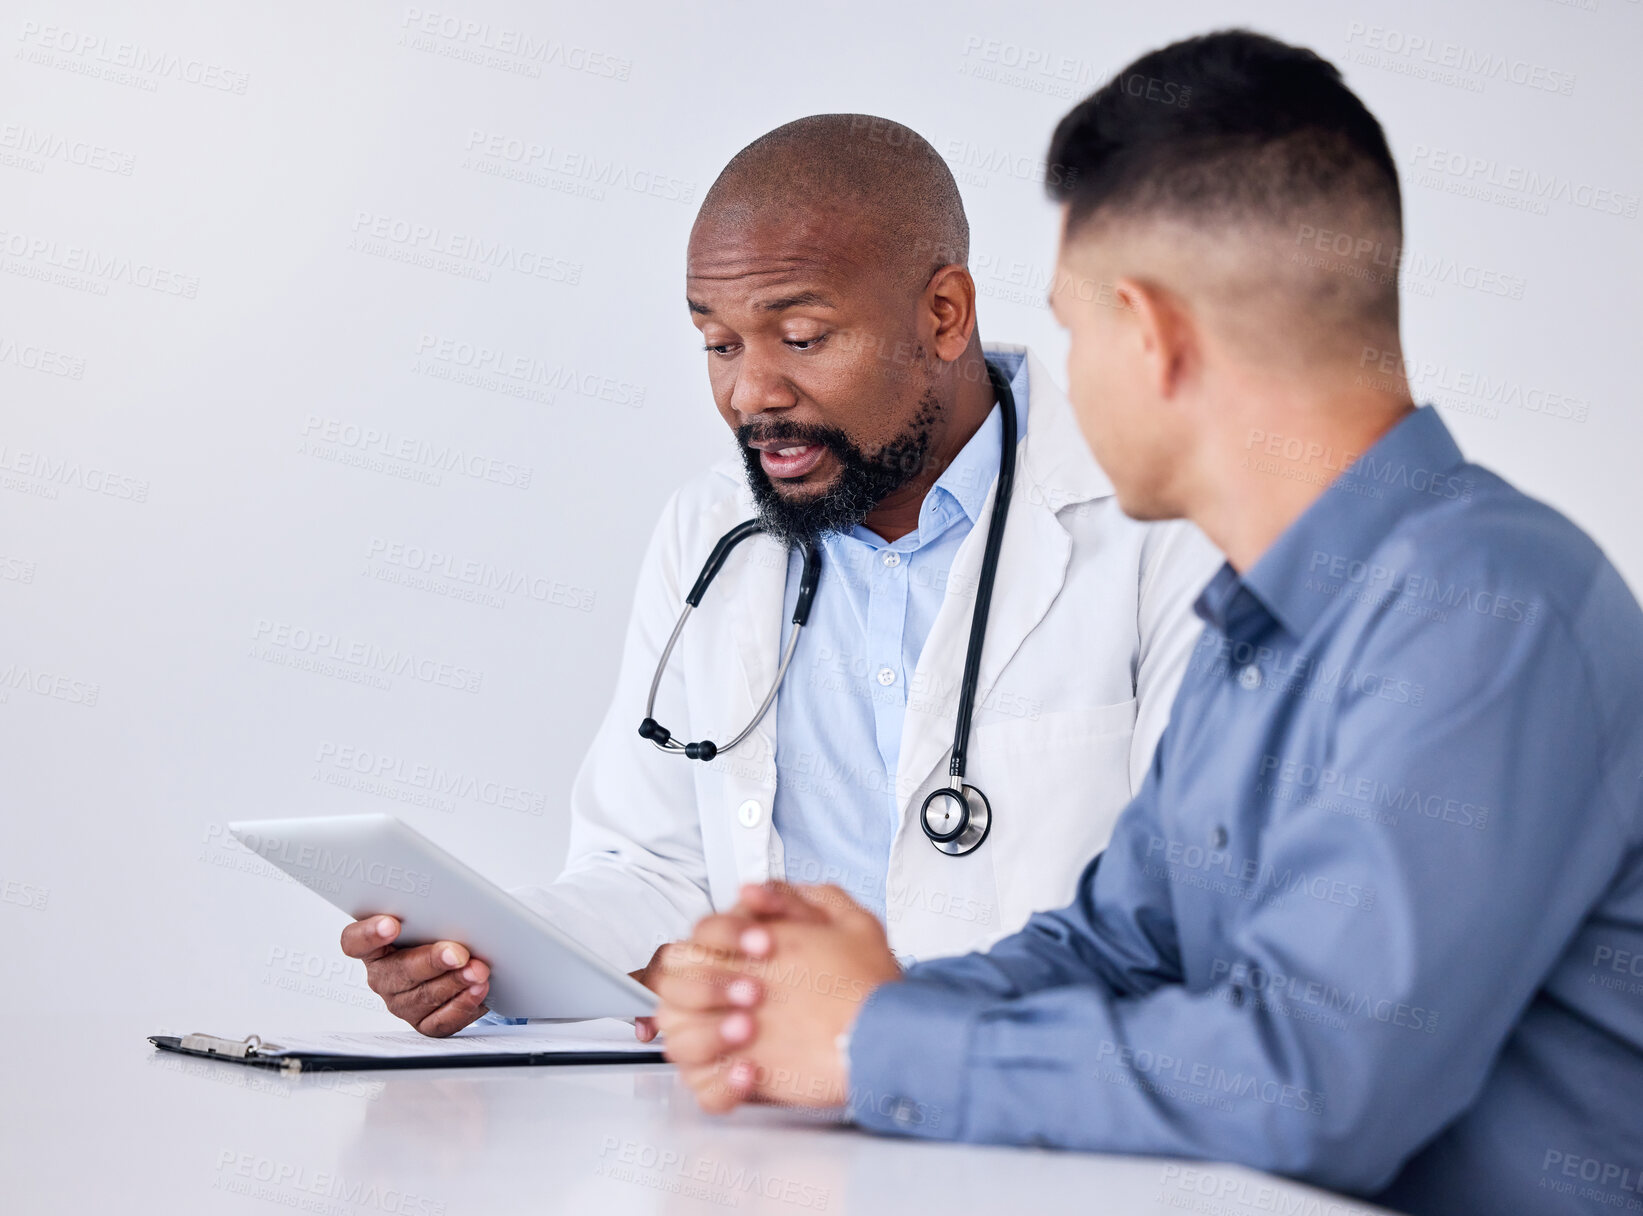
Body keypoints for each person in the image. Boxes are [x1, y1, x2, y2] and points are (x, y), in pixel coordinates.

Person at [652, 32, 1643, 1216]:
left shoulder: (1486, 605)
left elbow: (1320, 1084)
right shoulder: (1256, 622)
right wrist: (802, 1004)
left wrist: (878, 1041)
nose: (1059, 376)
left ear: (1152, 333)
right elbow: (1118, 947)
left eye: (1071, 330)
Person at [339, 114, 1219, 1039]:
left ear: (944, 314)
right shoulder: (709, 529)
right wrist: (493, 961)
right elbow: (653, 869)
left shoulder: (1162, 524)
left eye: (799, 337)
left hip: (1044, 1152)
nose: (748, 394)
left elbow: (1192, 909)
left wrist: (870, 1013)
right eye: (719, 344)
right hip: (766, 1149)